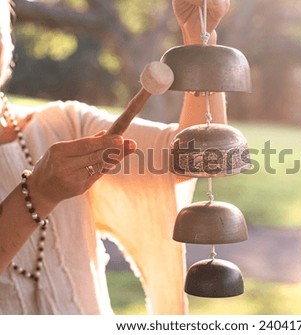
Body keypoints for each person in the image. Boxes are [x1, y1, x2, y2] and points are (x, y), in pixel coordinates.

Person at [0, 0, 230, 314]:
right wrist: (37, 193)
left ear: (9, 44)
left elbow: (202, 156)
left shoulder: (66, 125)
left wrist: (199, 35)